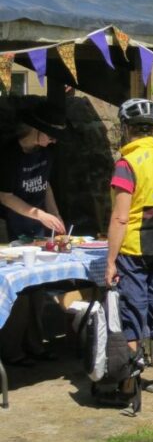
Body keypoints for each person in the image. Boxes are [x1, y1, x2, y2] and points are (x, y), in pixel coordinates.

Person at [104, 99, 153, 398]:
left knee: (132, 314)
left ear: (126, 128)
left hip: (134, 249)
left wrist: (111, 260)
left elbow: (120, 216)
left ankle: (127, 384)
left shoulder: (127, 164)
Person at [0, 99, 67, 368]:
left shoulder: (47, 153)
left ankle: (36, 344)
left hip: (37, 227)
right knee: (18, 291)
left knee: (38, 288)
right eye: (50, 135)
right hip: (9, 227)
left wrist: (56, 218)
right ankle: (11, 350)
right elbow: (4, 196)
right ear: (34, 130)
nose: (52, 141)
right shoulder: (8, 153)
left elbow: (46, 185)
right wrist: (40, 214)